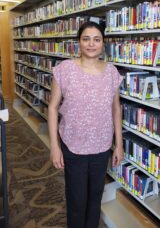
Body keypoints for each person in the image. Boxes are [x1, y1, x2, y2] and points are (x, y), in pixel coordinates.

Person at [48, 21, 124, 228]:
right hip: (73, 146)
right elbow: (53, 107)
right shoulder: (64, 70)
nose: (91, 44)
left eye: (97, 39)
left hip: (101, 146)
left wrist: (120, 144)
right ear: (79, 42)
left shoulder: (112, 73)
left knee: (95, 197)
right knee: (76, 199)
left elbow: (116, 109)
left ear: (103, 43)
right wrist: (54, 146)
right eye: (86, 39)